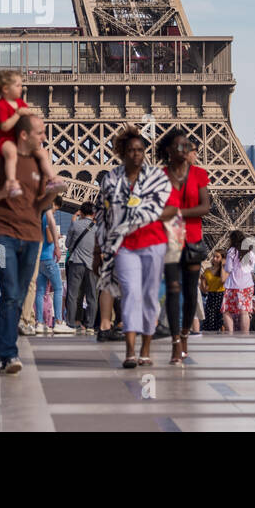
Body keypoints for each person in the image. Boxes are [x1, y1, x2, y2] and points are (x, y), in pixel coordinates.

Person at [0, 113, 59, 374]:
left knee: (19, 296)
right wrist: (2, 193)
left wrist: (52, 195)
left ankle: (3, 354)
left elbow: (42, 205)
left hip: (32, 238)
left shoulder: (40, 163)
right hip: (0, 236)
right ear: (24, 135)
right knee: (9, 292)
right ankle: (10, 354)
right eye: (40, 132)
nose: (44, 137)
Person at [94, 126, 176, 368]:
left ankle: (146, 348)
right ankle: (130, 351)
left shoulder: (157, 178)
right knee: (130, 294)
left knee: (150, 297)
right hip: (124, 246)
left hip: (153, 243)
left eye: (140, 150)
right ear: (123, 152)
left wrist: (148, 214)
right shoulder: (111, 179)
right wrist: (99, 250)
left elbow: (172, 208)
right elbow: (101, 214)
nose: (136, 154)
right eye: (131, 150)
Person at [157, 128, 210, 363]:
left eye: (187, 146)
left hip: (192, 241)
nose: (184, 150)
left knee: (190, 294)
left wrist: (177, 212)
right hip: (170, 240)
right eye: (180, 146)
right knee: (173, 291)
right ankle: (176, 341)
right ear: (169, 150)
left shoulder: (199, 174)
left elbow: (205, 207)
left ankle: (186, 333)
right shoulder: (160, 175)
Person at [0, 70, 65, 198]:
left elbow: (29, 122)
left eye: (21, 85)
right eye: (18, 85)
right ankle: (12, 183)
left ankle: (52, 179)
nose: (22, 88)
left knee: (43, 152)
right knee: (11, 153)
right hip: (5, 140)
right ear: (6, 89)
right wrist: (18, 114)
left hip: (21, 141)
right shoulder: (1, 106)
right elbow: (4, 127)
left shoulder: (21, 104)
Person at [33, 207, 74, 334]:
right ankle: (59, 322)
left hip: (39, 258)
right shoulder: (48, 215)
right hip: (49, 257)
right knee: (58, 288)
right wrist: (57, 241)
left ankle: (39, 322)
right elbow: (50, 238)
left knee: (40, 291)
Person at [64, 202, 97, 332]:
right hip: (92, 265)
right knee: (92, 297)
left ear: (81, 213)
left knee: (72, 295)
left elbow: (67, 244)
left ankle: (71, 323)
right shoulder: (97, 228)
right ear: (93, 214)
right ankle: (90, 325)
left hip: (76, 263)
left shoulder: (75, 224)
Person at [221, 229, 255, 333]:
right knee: (244, 312)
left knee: (226, 311)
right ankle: (245, 335)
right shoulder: (250, 252)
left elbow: (228, 269)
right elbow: (252, 268)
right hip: (247, 285)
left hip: (233, 285)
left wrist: (224, 265)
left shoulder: (231, 251)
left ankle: (230, 333)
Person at [202, 253, 225, 331]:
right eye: (214, 256)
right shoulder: (207, 270)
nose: (214, 258)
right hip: (211, 297)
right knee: (209, 322)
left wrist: (222, 266)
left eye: (217, 257)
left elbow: (223, 280)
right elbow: (204, 289)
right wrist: (202, 281)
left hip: (221, 296)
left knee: (221, 321)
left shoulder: (225, 271)